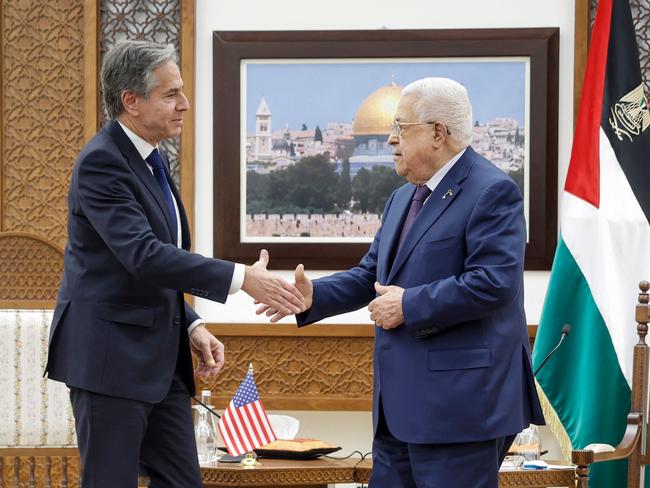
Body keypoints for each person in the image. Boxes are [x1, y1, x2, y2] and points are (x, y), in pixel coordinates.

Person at [257, 77, 544, 488]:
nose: (390, 139)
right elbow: (371, 275)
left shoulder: (492, 190)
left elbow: (493, 283)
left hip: (460, 410)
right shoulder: (401, 198)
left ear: (437, 133)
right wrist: (311, 297)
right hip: (398, 411)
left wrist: (409, 305)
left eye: (400, 127)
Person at [45, 40, 304, 488]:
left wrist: (190, 324)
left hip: (159, 363)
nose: (184, 105)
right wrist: (242, 278)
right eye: (170, 95)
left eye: (181, 92)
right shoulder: (103, 162)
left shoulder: (151, 157)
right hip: (110, 361)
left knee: (183, 480)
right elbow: (143, 256)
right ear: (131, 101)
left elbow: (148, 268)